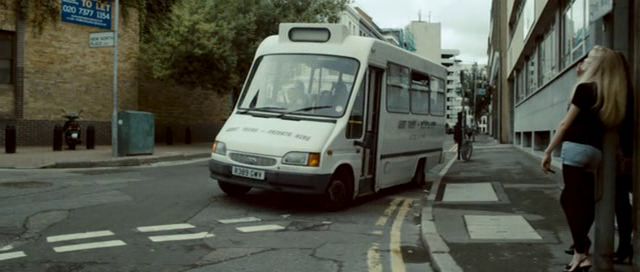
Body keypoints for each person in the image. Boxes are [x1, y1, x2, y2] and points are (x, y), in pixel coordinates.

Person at [541, 46, 629, 272]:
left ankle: (582, 251)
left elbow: (564, 124)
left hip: (575, 150)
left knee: (568, 200)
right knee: (585, 202)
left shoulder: (584, 89)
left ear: (596, 65)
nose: (585, 62)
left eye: (589, 59)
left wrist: (548, 150)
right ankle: (580, 255)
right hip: (595, 154)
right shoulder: (611, 92)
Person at [613, 51, 634, 264]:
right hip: (624, 154)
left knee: (620, 202)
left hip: (622, 156)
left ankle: (626, 246)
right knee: (621, 203)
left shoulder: (621, 92)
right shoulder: (626, 89)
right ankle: (625, 245)